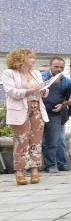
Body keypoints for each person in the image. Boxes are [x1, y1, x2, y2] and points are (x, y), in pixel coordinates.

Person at [2, 49, 49, 185]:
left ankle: (35, 170)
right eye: (29, 58)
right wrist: (31, 90)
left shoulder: (35, 73)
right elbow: (12, 92)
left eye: (33, 58)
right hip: (20, 109)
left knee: (36, 141)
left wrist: (45, 89)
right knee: (21, 141)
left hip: (37, 109)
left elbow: (43, 93)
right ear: (20, 59)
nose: (33, 60)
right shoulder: (9, 73)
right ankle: (19, 171)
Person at [41, 56, 71, 172]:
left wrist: (63, 104)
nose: (59, 69)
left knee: (53, 141)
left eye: (61, 67)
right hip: (38, 113)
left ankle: (51, 165)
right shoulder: (41, 77)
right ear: (50, 66)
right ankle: (37, 166)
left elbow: (68, 98)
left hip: (55, 114)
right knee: (39, 141)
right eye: (56, 66)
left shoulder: (66, 81)